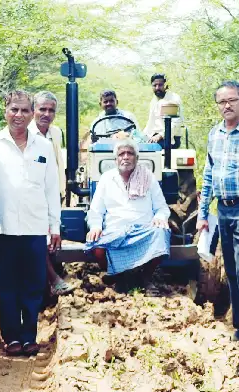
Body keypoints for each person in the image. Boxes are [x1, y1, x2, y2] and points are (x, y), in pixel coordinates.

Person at [0, 90, 61, 356]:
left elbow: (52, 189)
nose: (19, 115)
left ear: (32, 114)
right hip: (1, 228)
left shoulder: (44, 147)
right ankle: (11, 337)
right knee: (7, 285)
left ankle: (29, 336)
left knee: (33, 285)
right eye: (14, 110)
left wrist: (55, 227)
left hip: (35, 227)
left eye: (25, 111)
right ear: (5, 110)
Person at [196, 80, 239, 355]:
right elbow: (209, 174)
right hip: (223, 209)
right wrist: (202, 214)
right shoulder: (215, 134)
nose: (227, 105)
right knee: (232, 271)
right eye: (222, 101)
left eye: (232, 100)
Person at [85, 139, 170, 296]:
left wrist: (160, 217)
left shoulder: (148, 177)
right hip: (115, 230)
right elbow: (96, 211)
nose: (125, 157)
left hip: (143, 231)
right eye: (121, 154)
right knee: (95, 243)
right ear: (115, 159)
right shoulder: (106, 179)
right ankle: (117, 276)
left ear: (136, 158)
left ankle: (146, 278)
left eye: (130, 153)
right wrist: (96, 226)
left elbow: (162, 208)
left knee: (162, 232)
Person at [28, 90, 75, 296]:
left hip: (53, 191)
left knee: (51, 237)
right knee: (37, 238)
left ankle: (49, 280)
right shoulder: (26, 133)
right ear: (33, 110)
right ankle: (52, 280)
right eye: (42, 109)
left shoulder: (55, 133)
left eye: (51, 110)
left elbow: (57, 163)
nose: (46, 114)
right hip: (32, 195)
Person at [143, 73, 184, 147]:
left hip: (170, 138)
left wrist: (160, 136)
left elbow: (176, 123)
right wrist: (142, 136)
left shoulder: (173, 99)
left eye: (160, 85)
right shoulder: (154, 101)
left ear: (166, 86)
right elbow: (150, 123)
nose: (157, 88)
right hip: (154, 136)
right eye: (155, 85)